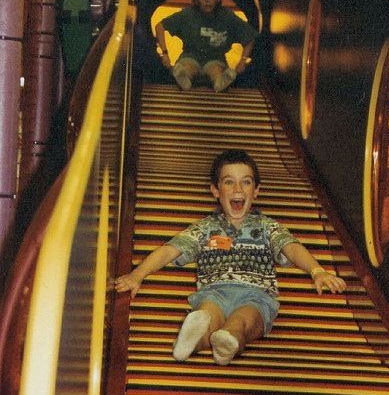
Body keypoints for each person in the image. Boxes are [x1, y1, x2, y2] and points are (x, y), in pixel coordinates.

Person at [115, 149, 347, 365]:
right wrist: (138, 274)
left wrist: (317, 270)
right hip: (214, 291)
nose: (238, 189)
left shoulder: (267, 226)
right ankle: (194, 341)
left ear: (256, 190)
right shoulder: (205, 228)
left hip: (255, 295)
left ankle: (224, 340)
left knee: (243, 320)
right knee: (209, 316)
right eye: (229, 182)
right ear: (215, 190)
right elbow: (169, 250)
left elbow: (291, 247)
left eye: (246, 182)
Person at [155, 0, 258, 92]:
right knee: (187, 68)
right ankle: (183, 79)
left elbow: (250, 36)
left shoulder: (227, 16)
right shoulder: (188, 14)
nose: (207, 0)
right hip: (190, 56)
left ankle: (221, 82)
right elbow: (160, 26)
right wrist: (165, 54)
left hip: (215, 58)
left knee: (215, 71)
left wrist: (242, 61)